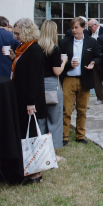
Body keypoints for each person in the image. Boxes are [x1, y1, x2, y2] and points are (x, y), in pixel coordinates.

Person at [5, 18, 47, 184]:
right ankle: (28, 169)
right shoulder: (23, 49)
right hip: (22, 100)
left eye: (17, 33)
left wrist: (31, 103)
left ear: (27, 32)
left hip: (30, 102)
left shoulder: (34, 49)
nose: (15, 36)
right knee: (25, 135)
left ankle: (36, 174)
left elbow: (34, 79)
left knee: (32, 137)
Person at [59, 17, 101, 145]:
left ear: (83, 28)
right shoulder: (64, 42)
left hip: (85, 79)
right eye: (72, 28)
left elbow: (99, 56)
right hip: (68, 79)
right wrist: (68, 64)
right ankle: (64, 137)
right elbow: (58, 61)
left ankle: (80, 135)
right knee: (66, 110)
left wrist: (93, 63)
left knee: (82, 110)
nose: (74, 30)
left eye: (76, 27)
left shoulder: (92, 42)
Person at [38, 20, 67, 156]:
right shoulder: (54, 49)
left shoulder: (36, 48)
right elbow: (57, 71)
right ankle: (53, 152)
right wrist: (64, 62)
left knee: (41, 119)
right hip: (51, 85)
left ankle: (41, 150)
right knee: (55, 119)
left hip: (38, 85)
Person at [88, 19, 103, 105]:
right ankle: (101, 97)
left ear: (95, 25)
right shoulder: (89, 33)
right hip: (93, 59)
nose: (89, 28)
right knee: (96, 79)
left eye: (90, 26)